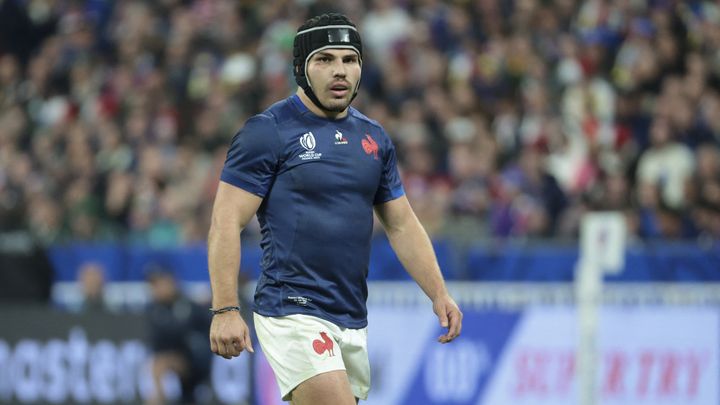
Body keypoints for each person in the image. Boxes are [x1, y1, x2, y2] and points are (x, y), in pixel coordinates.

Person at [207, 13, 463, 405]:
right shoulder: (268, 131)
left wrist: (439, 293)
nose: (339, 71)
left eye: (349, 59)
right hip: (292, 308)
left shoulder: (374, 138)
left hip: (350, 314)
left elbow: (401, 224)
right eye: (324, 60)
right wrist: (225, 307)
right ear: (300, 69)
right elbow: (226, 219)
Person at [145, 266, 212, 405]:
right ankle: (159, 398)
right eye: (154, 285)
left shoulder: (188, 305)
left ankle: (159, 398)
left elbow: (197, 331)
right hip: (172, 360)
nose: (156, 289)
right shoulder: (155, 310)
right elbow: (156, 342)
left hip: (196, 360)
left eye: (159, 284)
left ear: (171, 282)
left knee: (160, 365)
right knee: (158, 364)